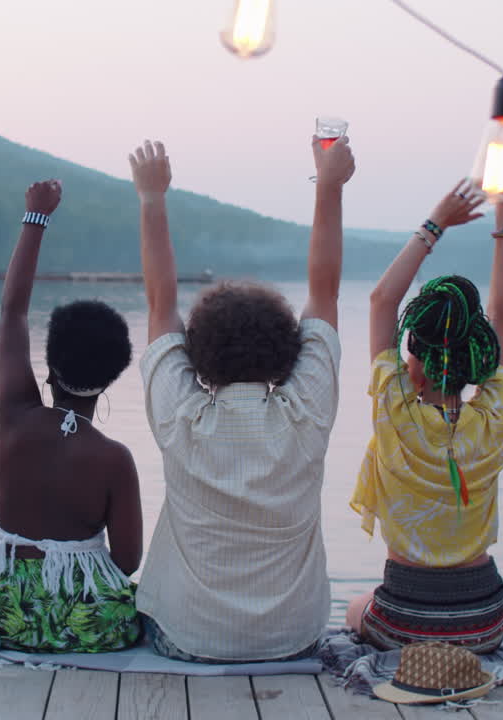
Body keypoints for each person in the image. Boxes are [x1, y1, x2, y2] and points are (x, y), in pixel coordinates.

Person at [132, 137, 353, 662]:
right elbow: (325, 290)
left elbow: (161, 303)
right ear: (286, 351)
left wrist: (152, 198)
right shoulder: (307, 414)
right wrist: (329, 186)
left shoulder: (182, 418)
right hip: (293, 641)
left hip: (189, 640)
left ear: (198, 354)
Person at [345, 157, 503, 655]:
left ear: (412, 361)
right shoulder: (496, 416)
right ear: (478, 357)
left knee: (354, 608)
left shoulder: (395, 413)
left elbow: (381, 301)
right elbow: (501, 312)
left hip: (403, 620)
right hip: (485, 622)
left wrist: (436, 222)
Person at [0, 180, 142, 653]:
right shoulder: (114, 459)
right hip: (86, 625)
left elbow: (12, 312)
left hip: (0, 618)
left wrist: (36, 217)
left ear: (48, 368)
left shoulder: (14, 416)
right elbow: (126, 562)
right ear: (111, 378)